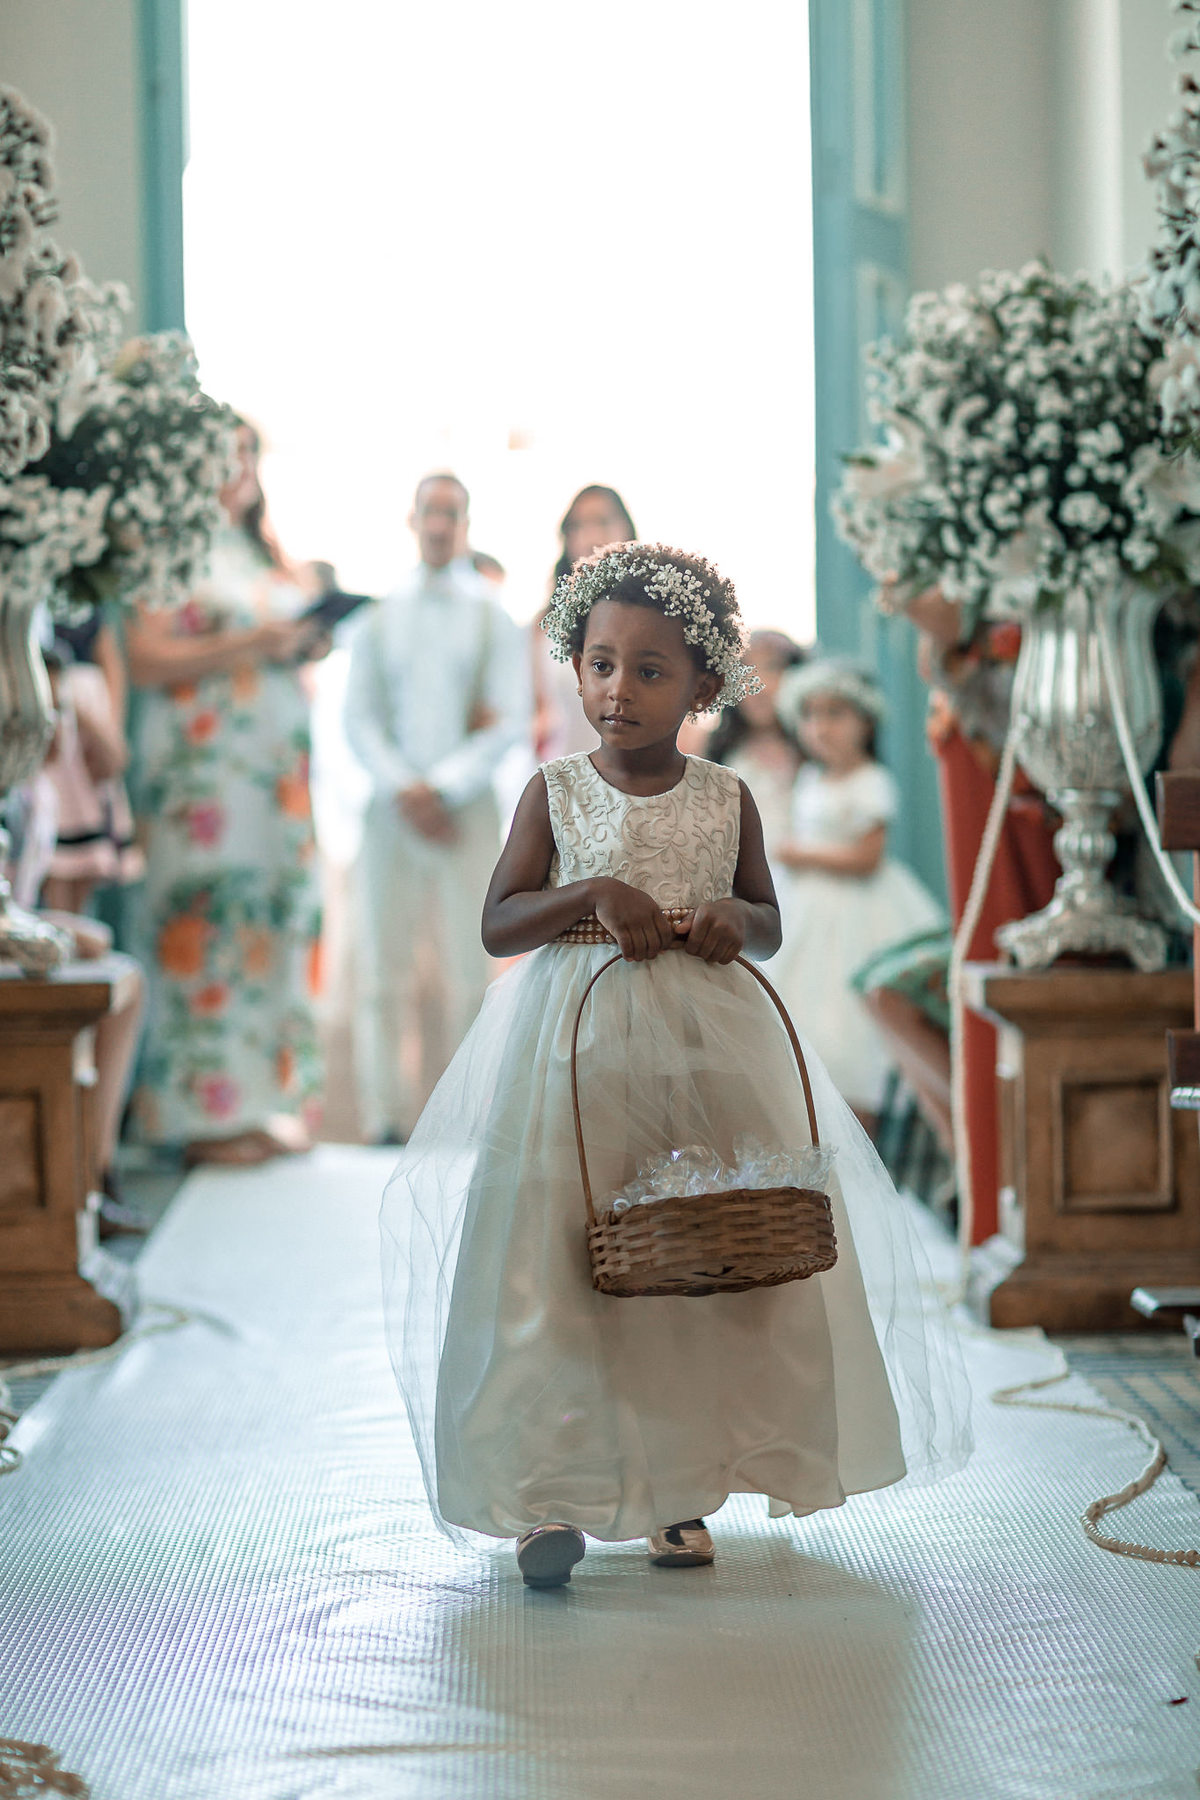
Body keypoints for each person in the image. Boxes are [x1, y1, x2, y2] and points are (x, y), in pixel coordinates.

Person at [381, 543, 969, 1591]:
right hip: (572, 1056)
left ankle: (679, 1491)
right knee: (559, 1270)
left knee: (695, 1262)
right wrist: (592, 895)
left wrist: (737, 919)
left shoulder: (726, 796)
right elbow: (499, 922)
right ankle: (551, 1492)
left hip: (704, 1060)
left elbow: (771, 921)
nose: (620, 688)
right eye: (601, 663)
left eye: (651, 670)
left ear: (704, 685)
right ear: (573, 669)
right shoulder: (552, 792)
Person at [125, 419, 329, 1167]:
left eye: (246, 455)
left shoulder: (261, 552)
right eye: (222, 454)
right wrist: (253, 642)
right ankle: (194, 1115)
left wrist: (303, 639)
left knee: (273, 922)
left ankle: (260, 1104)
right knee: (204, 920)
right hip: (204, 778)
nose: (237, 469)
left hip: (274, 777)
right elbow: (144, 657)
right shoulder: (165, 548)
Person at [344, 473, 529, 1144]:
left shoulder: (492, 618)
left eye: (452, 513)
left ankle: (461, 1116)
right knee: (383, 964)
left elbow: (508, 718)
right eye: (431, 512)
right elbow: (358, 717)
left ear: (467, 522)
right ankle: (384, 1116)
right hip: (389, 808)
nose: (441, 524)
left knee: (464, 964)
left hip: (467, 808)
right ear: (413, 518)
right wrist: (405, 788)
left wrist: (444, 787)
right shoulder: (380, 615)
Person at [771, 660, 944, 1133]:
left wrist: (798, 855)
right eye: (810, 715)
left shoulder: (871, 781)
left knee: (849, 1028)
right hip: (805, 910)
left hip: (858, 912)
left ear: (864, 722)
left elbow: (868, 857)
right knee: (803, 1022)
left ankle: (860, 1134)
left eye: (834, 714)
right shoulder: (809, 778)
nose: (819, 728)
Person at [533, 485, 637, 760]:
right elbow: (533, 710)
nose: (590, 535)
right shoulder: (544, 623)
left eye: (602, 522)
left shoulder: (650, 615)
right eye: (578, 525)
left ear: (626, 528)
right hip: (560, 764)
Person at [705, 628, 807, 864]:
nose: (757, 685)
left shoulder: (814, 750)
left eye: (772, 667)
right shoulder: (720, 752)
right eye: (745, 670)